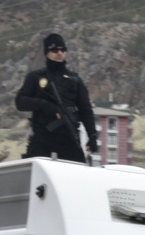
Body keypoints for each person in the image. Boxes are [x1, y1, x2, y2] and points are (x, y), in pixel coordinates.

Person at [14, 33, 97, 163]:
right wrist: (44, 105)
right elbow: (20, 102)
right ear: (47, 53)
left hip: (69, 137)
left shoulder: (75, 80)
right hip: (43, 138)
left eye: (62, 50)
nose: (59, 53)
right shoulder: (36, 77)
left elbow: (86, 110)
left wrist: (92, 136)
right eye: (55, 50)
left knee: (79, 172)